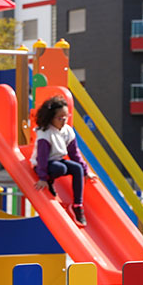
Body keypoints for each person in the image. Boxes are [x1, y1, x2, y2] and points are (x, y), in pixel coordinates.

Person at [30, 95, 89, 226]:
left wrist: (85, 170)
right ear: (51, 118)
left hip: (57, 160)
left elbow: (74, 153)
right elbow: (42, 157)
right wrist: (43, 178)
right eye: (60, 118)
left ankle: (77, 205)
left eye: (66, 117)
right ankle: (50, 181)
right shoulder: (45, 133)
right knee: (60, 168)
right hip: (42, 165)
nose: (63, 120)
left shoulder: (67, 130)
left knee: (77, 168)